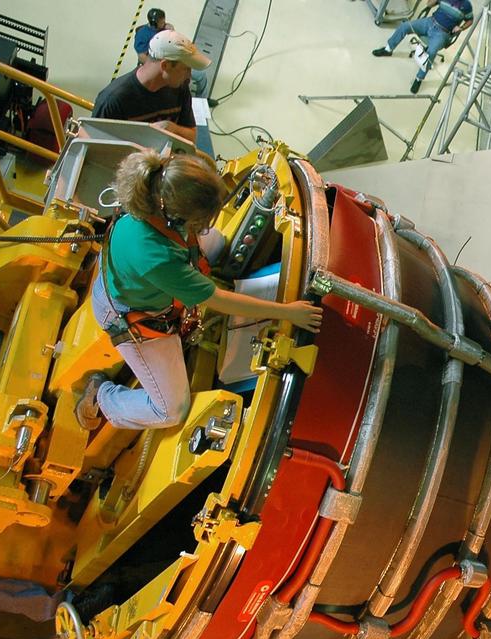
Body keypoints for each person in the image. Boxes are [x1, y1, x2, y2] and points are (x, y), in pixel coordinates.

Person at [75, 150, 324, 431]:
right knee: (170, 410)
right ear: (176, 217)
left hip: (136, 276)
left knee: (216, 243)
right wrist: (287, 312)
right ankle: (102, 396)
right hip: (132, 316)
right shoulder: (154, 256)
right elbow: (216, 299)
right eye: (199, 222)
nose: (204, 227)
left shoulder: (159, 189)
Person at [93, 30, 209, 143]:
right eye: (186, 69)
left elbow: (191, 136)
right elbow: (94, 147)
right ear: (165, 65)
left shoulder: (180, 88)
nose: (189, 76)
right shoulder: (113, 100)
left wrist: (172, 128)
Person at [371, 0, 474, 93]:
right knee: (405, 26)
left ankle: (419, 79)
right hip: (429, 22)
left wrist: (461, 27)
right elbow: (428, 4)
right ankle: (388, 49)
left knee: (432, 52)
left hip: (442, 33)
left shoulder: (466, 5)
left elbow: (470, 20)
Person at [133, 9, 211, 100]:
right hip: (163, 64)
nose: (164, 23)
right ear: (154, 23)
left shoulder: (163, 28)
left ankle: (202, 99)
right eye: (162, 22)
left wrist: (171, 30)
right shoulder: (142, 36)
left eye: (164, 21)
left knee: (201, 75)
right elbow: (142, 57)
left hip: (174, 58)